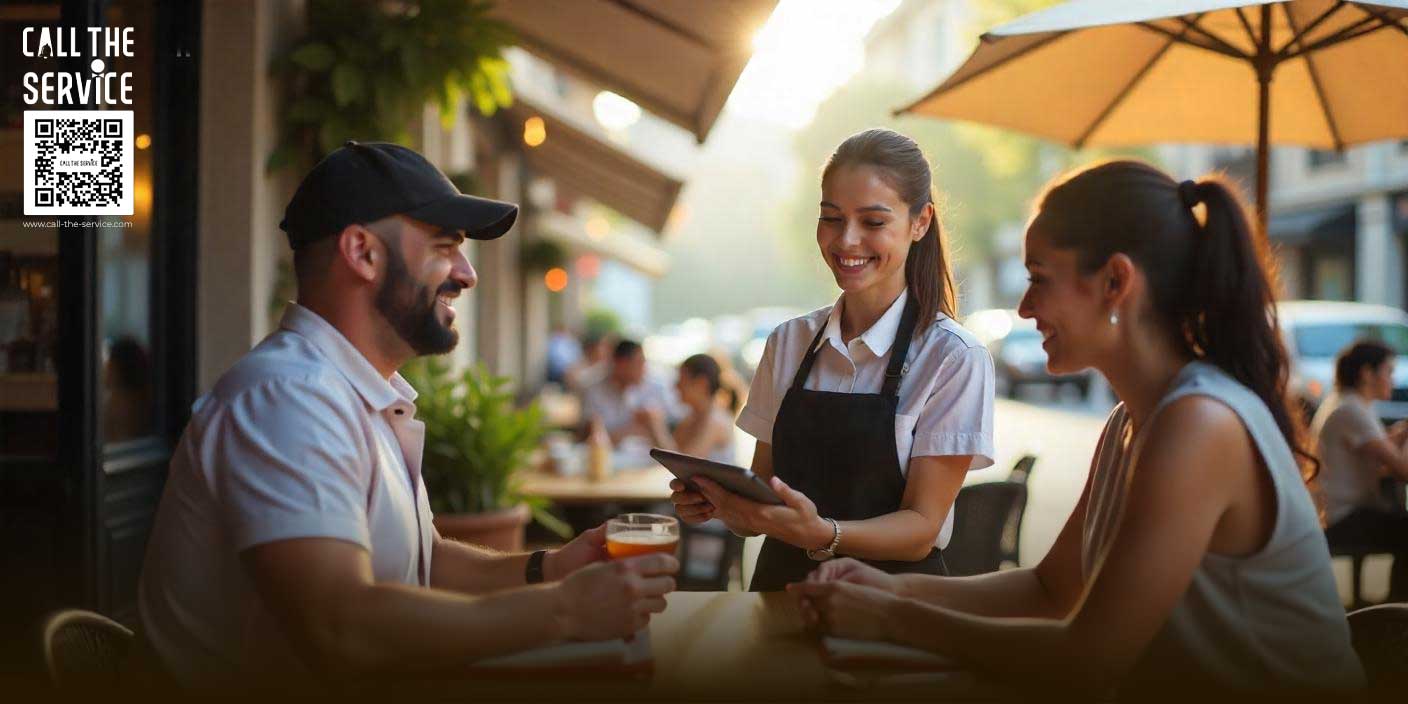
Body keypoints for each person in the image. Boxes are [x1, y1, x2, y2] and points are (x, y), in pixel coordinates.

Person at [791, 160, 1365, 695]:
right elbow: (1050, 588)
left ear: (1116, 281)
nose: (1022, 308)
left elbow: (1086, 660)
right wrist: (885, 588)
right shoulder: (1131, 421)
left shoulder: (1199, 425)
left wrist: (892, 617)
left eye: (1039, 278)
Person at [138, 142, 677, 690]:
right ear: (363, 252)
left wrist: (549, 568)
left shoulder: (354, 393)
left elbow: (427, 560)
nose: (467, 274)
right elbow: (341, 626)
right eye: (445, 247)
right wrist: (563, 611)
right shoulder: (287, 397)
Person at [670, 128, 995, 591]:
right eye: (831, 217)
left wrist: (824, 534)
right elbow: (760, 504)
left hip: (893, 607)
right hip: (780, 595)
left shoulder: (953, 358)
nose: (847, 240)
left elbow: (921, 529)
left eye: (873, 222)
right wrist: (724, 505)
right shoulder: (788, 342)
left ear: (920, 222)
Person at [1312, 339, 1408, 600]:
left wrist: (1397, 436)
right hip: (1344, 516)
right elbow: (1402, 470)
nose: (1393, 379)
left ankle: (1396, 604)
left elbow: (1375, 457)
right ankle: (1397, 609)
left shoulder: (1347, 403)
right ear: (1367, 373)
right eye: (1388, 371)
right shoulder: (1351, 410)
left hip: (1341, 512)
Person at [642, 353, 741, 464]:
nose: (676, 386)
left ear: (701, 383)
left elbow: (682, 465)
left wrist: (657, 426)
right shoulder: (691, 417)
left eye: (682, 379)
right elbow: (675, 450)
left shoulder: (715, 421)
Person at [582, 338, 677, 444]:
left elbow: (672, 424)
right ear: (620, 363)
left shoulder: (655, 388)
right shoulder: (594, 391)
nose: (643, 369)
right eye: (639, 363)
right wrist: (637, 428)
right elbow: (593, 437)